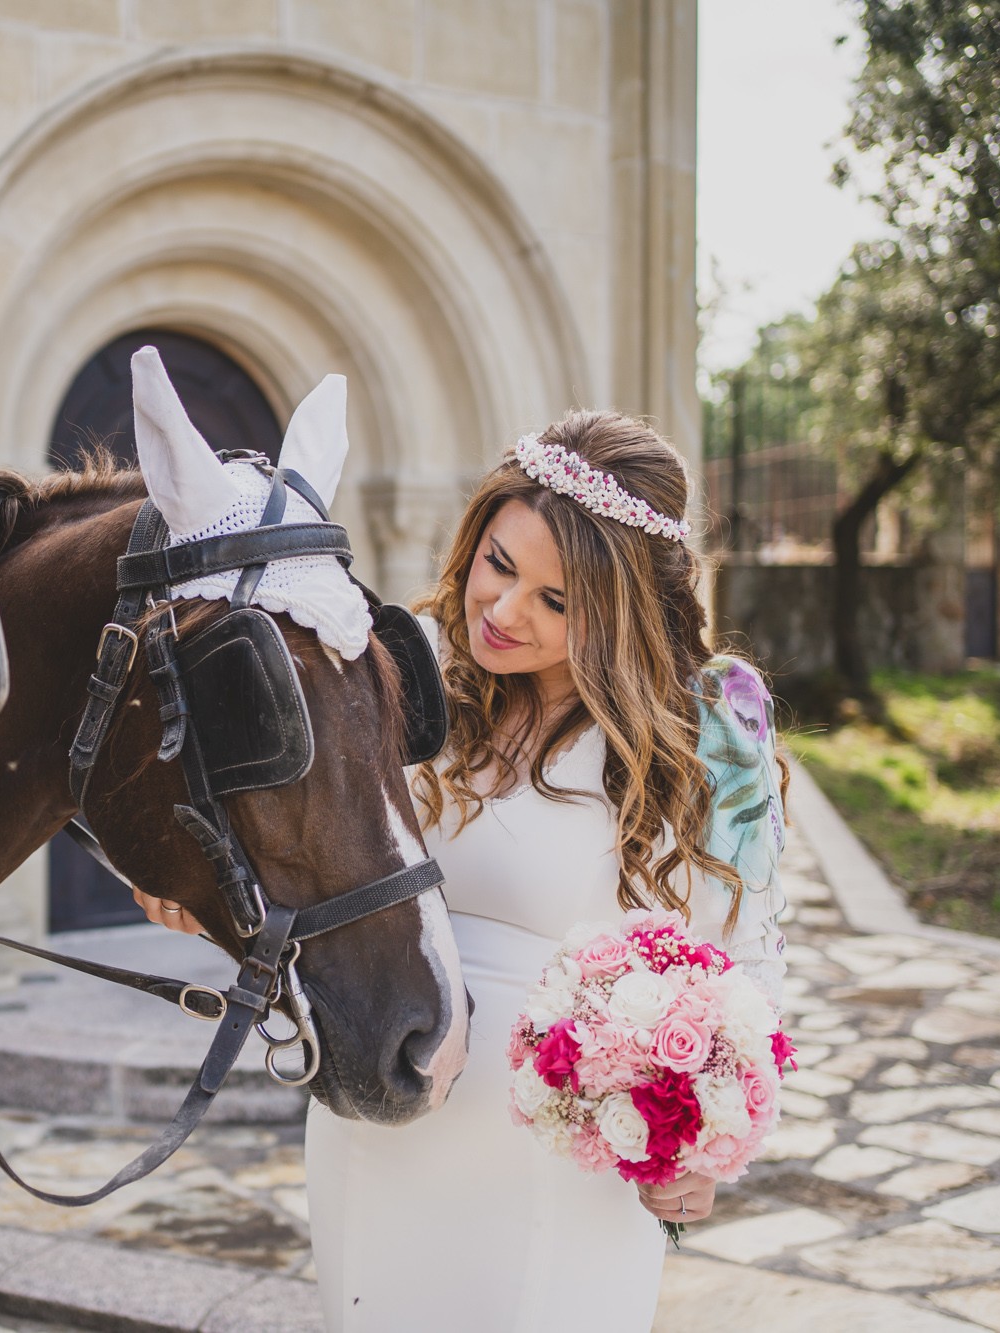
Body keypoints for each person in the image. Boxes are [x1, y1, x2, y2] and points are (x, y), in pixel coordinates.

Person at [132, 410, 788, 1330]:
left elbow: (748, 956)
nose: (504, 611)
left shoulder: (709, 723)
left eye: (558, 602)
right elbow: (306, 859)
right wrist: (197, 892)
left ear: (628, 606)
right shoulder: (402, 666)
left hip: (565, 1160)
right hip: (375, 1122)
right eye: (499, 563)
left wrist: (708, 1144)